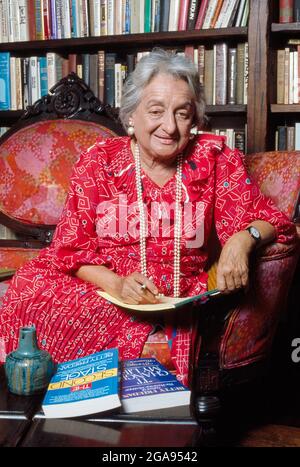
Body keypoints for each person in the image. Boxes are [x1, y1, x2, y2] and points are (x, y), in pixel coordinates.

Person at [0, 49, 296, 386]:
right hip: (104, 289)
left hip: (176, 294)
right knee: (31, 290)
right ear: (132, 115)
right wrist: (117, 285)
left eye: (182, 114)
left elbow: (275, 222)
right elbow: (70, 251)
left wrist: (243, 240)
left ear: (195, 119)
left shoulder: (214, 158)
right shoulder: (98, 162)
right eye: (156, 111)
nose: (169, 127)